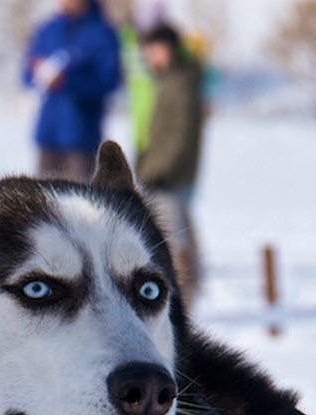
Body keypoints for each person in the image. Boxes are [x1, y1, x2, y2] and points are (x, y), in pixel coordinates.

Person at [135, 23, 205, 298]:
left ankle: (183, 298)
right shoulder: (167, 82)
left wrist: (159, 170)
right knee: (176, 233)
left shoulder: (182, 83)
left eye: (155, 49)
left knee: (176, 240)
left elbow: (181, 133)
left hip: (169, 176)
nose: (151, 56)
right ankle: (185, 294)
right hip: (158, 173)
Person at [23, 0, 122, 183]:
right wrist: (37, 71)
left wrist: (68, 81)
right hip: (49, 132)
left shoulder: (103, 32)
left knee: (81, 202)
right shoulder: (48, 29)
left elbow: (109, 81)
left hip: (82, 135)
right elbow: (26, 76)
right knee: (42, 202)